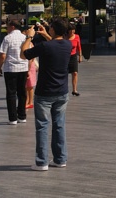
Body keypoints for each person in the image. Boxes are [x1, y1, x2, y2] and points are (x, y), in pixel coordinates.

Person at [20, 18, 73, 170]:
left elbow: (24, 54)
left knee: (42, 126)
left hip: (44, 93)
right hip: (62, 91)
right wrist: (45, 35)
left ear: (53, 30)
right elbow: (55, 44)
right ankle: (60, 159)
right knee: (59, 125)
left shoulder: (44, 46)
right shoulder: (68, 45)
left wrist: (29, 36)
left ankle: (42, 161)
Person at [0, 19, 29, 125]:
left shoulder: (7, 38)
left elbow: (3, 55)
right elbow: (28, 54)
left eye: (8, 27)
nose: (7, 29)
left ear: (13, 27)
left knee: (11, 93)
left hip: (10, 68)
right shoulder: (25, 38)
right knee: (22, 92)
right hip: (23, 68)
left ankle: (12, 118)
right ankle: (22, 116)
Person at [67, 23, 83, 96]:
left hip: (73, 56)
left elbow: (79, 47)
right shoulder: (64, 37)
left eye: (73, 30)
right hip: (65, 56)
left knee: (75, 73)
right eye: (71, 30)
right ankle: (64, 89)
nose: (72, 32)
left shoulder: (77, 37)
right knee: (64, 73)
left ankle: (74, 89)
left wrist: (80, 56)